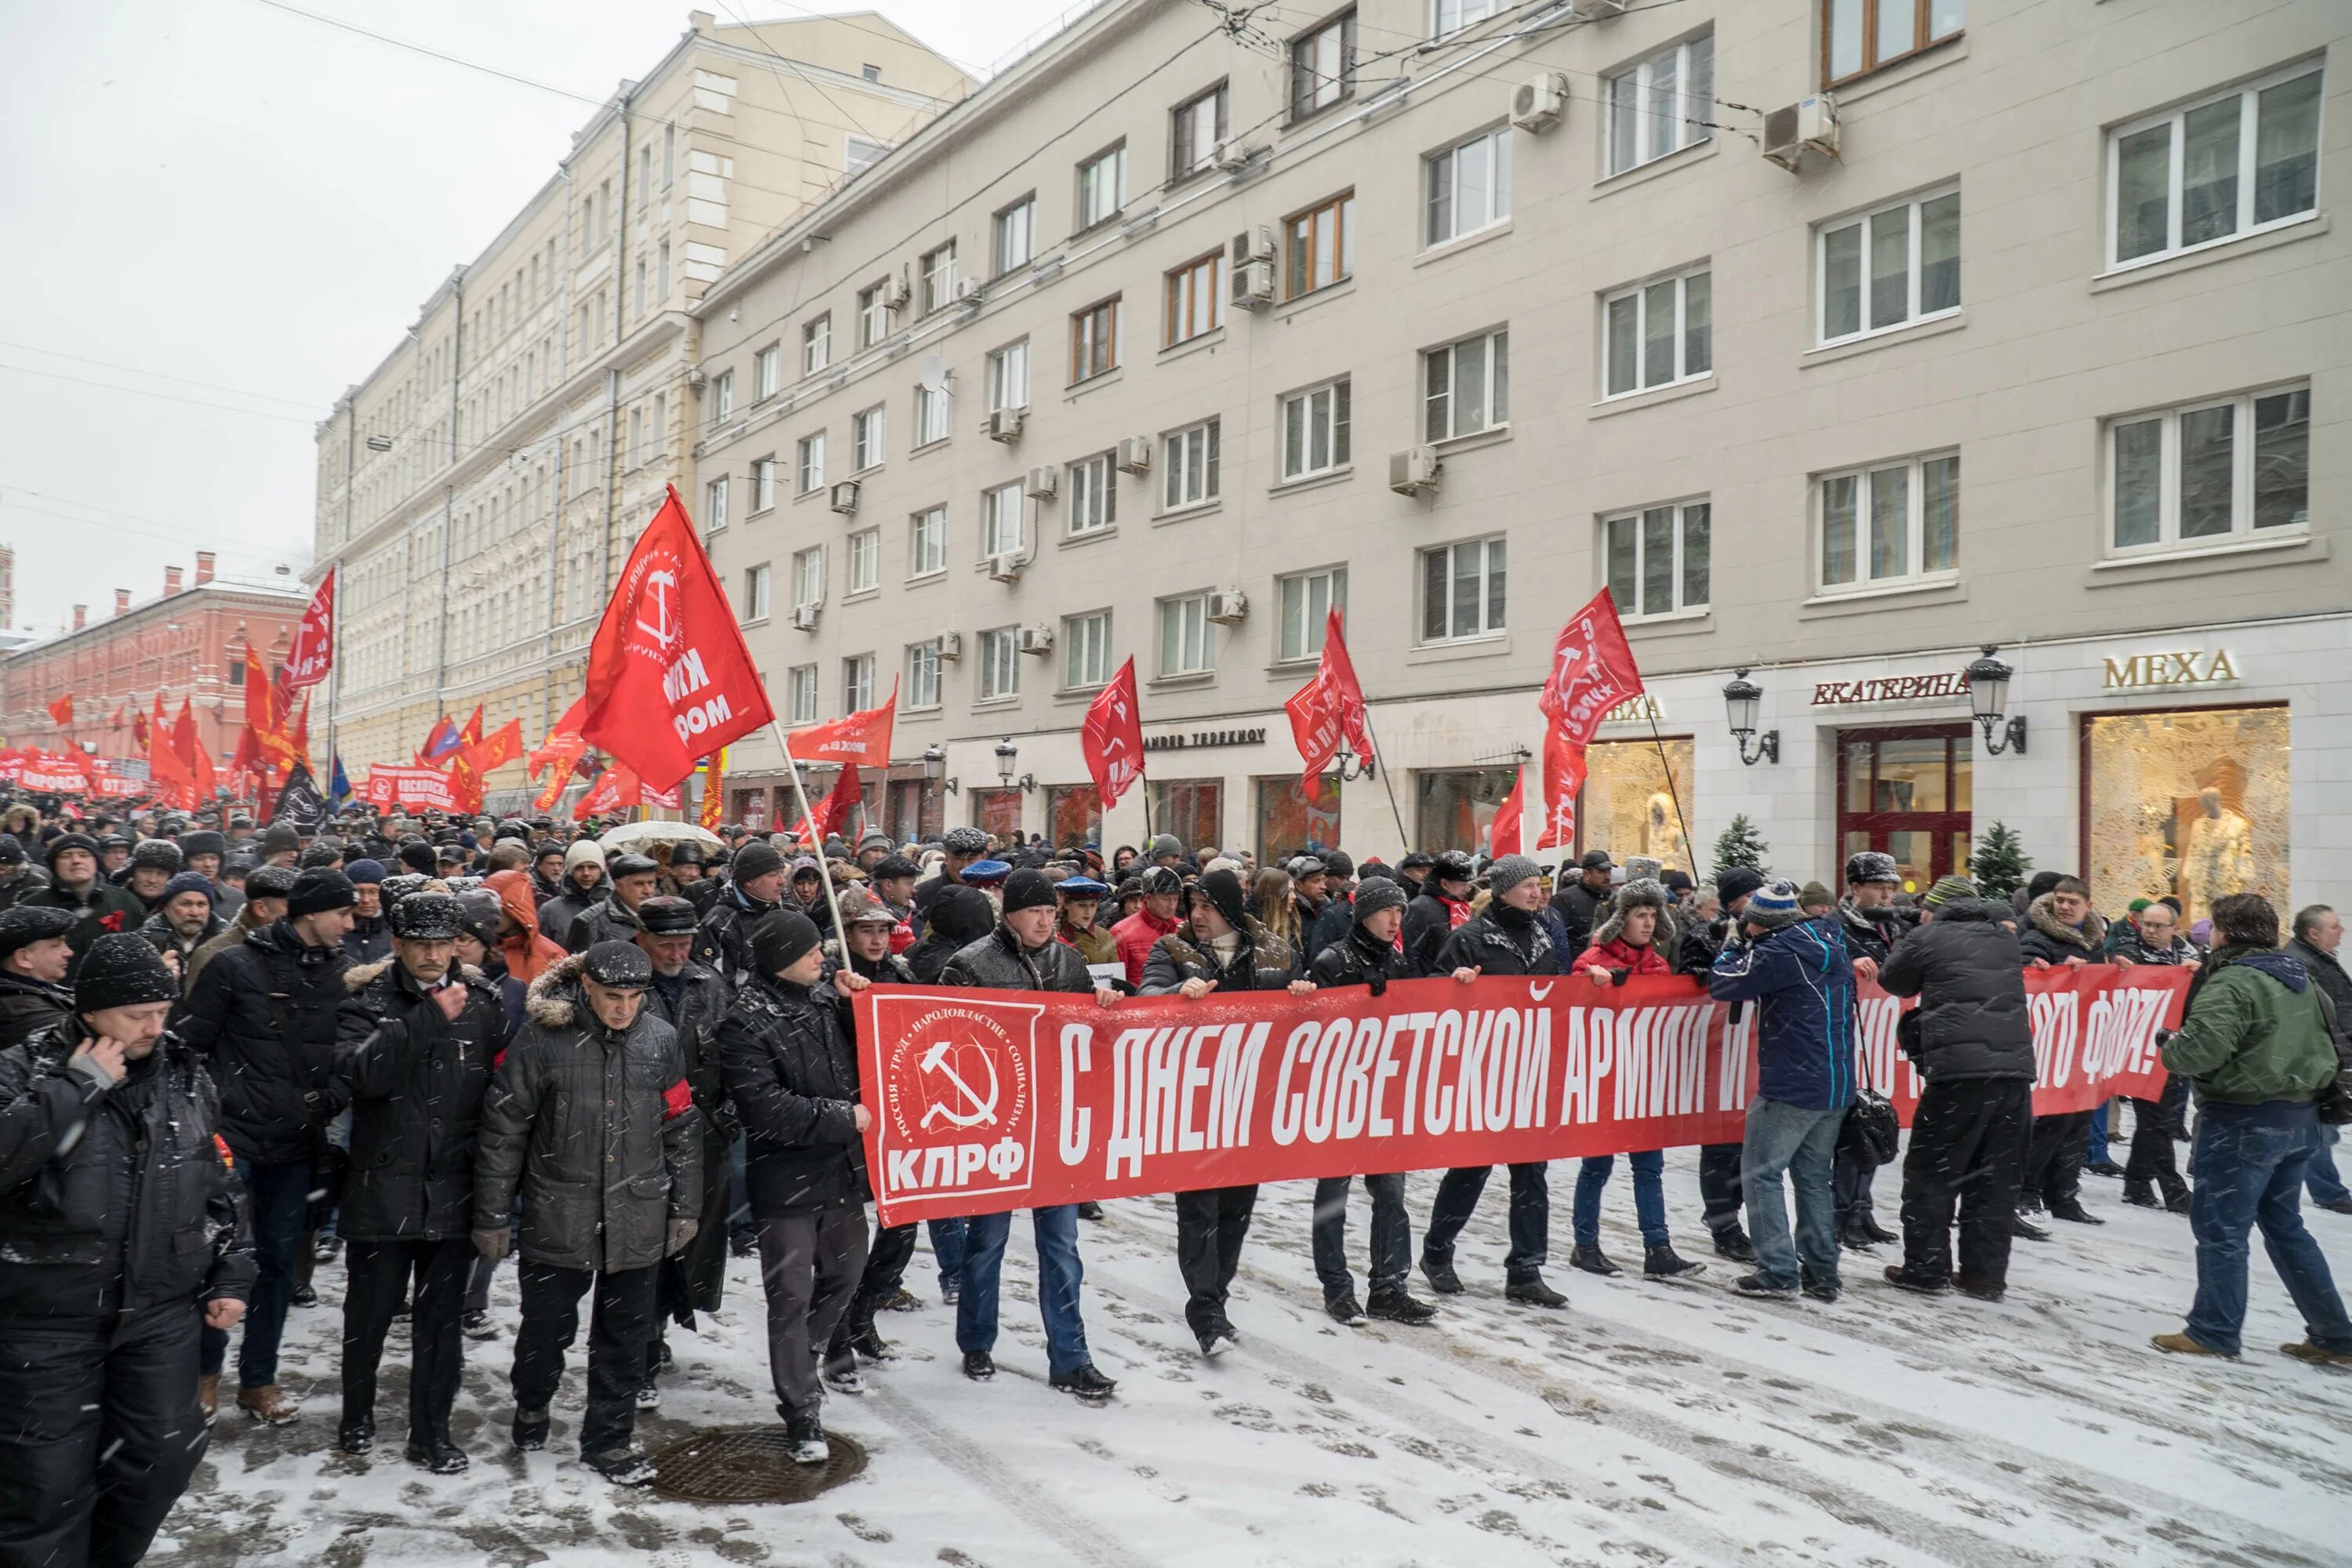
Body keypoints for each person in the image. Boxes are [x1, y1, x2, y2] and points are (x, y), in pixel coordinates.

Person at [0, 935, 253, 1567]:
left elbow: (215, 1177)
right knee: (43, 1489)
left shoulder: (183, 1071)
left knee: (160, 1463)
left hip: (158, 1313)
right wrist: (75, 1089)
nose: (153, 1027)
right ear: (90, 1012)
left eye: (162, 1011)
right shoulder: (23, 1068)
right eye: (136, 1014)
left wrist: (233, 1269)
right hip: (45, 1320)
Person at [472, 941, 703, 1485]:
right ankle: (533, 1400)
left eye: (633, 997)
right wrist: (492, 1214)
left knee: (625, 1338)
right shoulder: (543, 1039)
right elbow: (504, 1130)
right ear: (587, 989)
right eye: (611, 997)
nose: (623, 1009)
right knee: (546, 1329)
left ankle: (610, 1439)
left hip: (639, 1210)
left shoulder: (661, 1041)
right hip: (560, 1209)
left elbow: (681, 1127)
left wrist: (685, 1207)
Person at [174, 867, 358, 1425]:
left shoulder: (344, 975)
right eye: (343, 913)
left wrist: (330, 1097)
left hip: (298, 1142)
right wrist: (208, 1116)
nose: (352, 924)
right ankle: (204, 1378)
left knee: (280, 1264)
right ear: (309, 916)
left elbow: (354, 1050)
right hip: (233, 1141)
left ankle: (259, 1380)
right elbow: (191, 1044)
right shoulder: (234, 965)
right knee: (220, 1262)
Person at [329, 891, 505, 1472]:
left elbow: (499, 1093)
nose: (432, 957)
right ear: (398, 946)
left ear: (458, 945)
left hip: (453, 1188)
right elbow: (361, 1076)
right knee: (369, 1315)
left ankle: (431, 1431)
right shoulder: (367, 1000)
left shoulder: (483, 1002)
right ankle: (356, 1413)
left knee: (441, 1324)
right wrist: (427, 1018)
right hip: (382, 1187)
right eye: (419, 946)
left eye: (442, 945)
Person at [941, 869, 1123, 1399]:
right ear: (1010, 913)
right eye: (1034, 911)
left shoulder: (1070, 961)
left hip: (1055, 1124)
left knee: (1062, 1245)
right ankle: (976, 1340)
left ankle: (1071, 1357)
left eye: (1050, 911)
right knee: (987, 1240)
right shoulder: (970, 964)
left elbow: (1091, 1036)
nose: (1045, 920)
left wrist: (1105, 1007)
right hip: (998, 1125)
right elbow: (950, 1039)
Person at [2151, 895, 2352, 1367]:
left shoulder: (2233, 981)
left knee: (2222, 1229)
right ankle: (2335, 1335)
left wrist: (2171, 1048)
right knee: (2286, 1227)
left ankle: (2214, 1330)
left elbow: (2200, 1054)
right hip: (2300, 1121)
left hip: (2243, 1120)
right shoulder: (2304, 979)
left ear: (2224, 932)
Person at [719, 910, 873, 1463]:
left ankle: (802, 1356)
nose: (822, 957)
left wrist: (859, 1005)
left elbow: (869, 1050)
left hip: (841, 1175)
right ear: (784, 955)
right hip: (786, 1180)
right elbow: (765, 1109)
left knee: (849, 1272)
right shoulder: (745, 1021)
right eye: (811, 950)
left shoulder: (823, 1000)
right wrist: (842, 1117)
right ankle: (801, 1409)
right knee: (790, 1297)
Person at [1139, 866, 1308, 1353]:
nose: (1195, 915)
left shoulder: (1276, 952)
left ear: (1230, 910)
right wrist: (1176, 993)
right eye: (1192, 906)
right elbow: (1147, 994)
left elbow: (1301, 1011)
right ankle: (1206, 1312)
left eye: (1206, 907)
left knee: (1236, 1211)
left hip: (1250, 1102)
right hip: (1193, 1102)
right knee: (1198, 1210)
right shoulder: (1173, 950)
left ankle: (1217, 1296)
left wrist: (1302, 994)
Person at [1419, 856, 1570, 1308]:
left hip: (1530, 1072)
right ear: (1503, 889)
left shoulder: (1543, 935)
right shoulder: (1470, 938)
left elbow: (1558, 995)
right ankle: (1437, 1251)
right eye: (1527, 885)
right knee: (1471, 1170)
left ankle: (1526, 1269)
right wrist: (1454, 983)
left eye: (1539, 885)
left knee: (1532, 1175)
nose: (1536, 892)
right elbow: (1431, 995)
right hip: (1483, 1074)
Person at [1875, 875, 2035, 1301]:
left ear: (1936, 907)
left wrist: (1915, 937)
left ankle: (1926, 1269)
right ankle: (1984, 1276)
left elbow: (1894, 981)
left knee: (1932, 1173)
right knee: (1995, 1178)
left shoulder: (1929, 936)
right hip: (2014, 1073)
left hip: (1959, 1074)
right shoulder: (2003, 939)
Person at [1707, 880, 1858, 1301]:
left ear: (1760, 925)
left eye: (1750, 924)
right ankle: (1822, 1272)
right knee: (1813, 1179)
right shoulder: (1829, 940)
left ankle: (1776, 1270)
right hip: (1836, 1081)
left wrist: (1733, 945)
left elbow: (1722, 982)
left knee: (1761, 1174)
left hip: (1793, 1083)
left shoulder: (1777, 954)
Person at [1305, 876, 1436, 1327]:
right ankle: (1337, 1287)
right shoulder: (1333, 960)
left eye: (1400, 912)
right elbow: (1317, 1032)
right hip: (1341, 1099)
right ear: (1365, 914)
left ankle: (1389, 1287)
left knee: (1392, 1196)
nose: (1395, 921)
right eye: (1387, 911)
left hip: (1385, 1100)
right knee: (1333, 1197)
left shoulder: (1398, 960)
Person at [1566, 879, 1703, 1280]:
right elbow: (1571, 1007)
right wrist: (1591, 981)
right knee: (1597, 1167)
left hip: (1645, 1083)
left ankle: (1658, 1248)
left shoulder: (1658, 964)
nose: (1648, 923)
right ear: (1621, 919)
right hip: (1606, 1080)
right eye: (1640, 915)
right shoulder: (1592, 959)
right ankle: (1585, 1244)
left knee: (1649, 1168)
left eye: (1652, 916)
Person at [2016, 877, 2107, 1228]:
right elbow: (2026, 976)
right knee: (2053, 1122)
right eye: (2060, 900)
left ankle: (2065, 1194)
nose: (2065, 906)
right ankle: (2028, 1189)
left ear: (2088, 905)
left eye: (2073, 902)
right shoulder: (2037, 937)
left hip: (2082, 1043)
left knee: (2079, 1122)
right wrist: (2050, 970)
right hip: (2050, 1046)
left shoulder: (2093, 940)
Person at [1831, 852, 1911, 1250]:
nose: (1886, 895)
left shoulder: (1893, 928)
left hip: (1881, 1041)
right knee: (1853, 1132)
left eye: (1890, 887)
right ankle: (1843, 1214)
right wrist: (1848, 959)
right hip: (1849, 1039)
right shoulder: (1836, 927)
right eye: (1879, 887)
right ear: (1856, 888)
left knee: (1876, 1125)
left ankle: (1863, 1209)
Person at [2286, 906, 2352, 1214]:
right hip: (2319, 1060)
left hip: (2329, 1056)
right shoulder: (2302, 963)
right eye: (2335, 927)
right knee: (2320, 1128)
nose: (2342, 931)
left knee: (2323, 1126)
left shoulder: (2319, 959)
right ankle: (2327, 1190)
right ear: (2314, 933)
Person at [24, 833, 145, 980]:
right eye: (66, 856)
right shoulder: (32, 908)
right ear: (54, 865)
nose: (76, 861)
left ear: (96, 862)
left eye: (84, 855)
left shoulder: (125, 901)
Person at [187, 863, 296, 990]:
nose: (298, 913)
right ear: (261, 908)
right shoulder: (214, 954)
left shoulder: (300, 947)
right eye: (290, 906)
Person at [695, 840, 787, 986]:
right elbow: (716, 988)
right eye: (773, 875)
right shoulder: (719, 924)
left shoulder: (787, 911)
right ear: (749, 881)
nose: (782, 881)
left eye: (782, 873)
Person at [0, 906, 78, 1049]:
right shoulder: (19, 1011)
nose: (69, 952)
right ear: (23, 958)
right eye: (55, 946)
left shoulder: (35, 993)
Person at [1403, 851, 1476, 978]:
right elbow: (1410, 957)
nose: (1467, 889)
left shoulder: (1463, 908)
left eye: (1469, 884)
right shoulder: (1420, 908)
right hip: (1432, 987)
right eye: (1463, 884)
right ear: (1444, 884)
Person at [566, 853, 661, 952]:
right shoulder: (590, 922)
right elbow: (577, 965)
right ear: (619, 886)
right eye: (639, 884)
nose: (648, 891)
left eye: (651, 883)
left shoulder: (661, 915)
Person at [1112, 866, 1184, 989]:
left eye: (1175, 899)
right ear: (1148, 898)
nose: (1171, 906)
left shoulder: (1183, 929)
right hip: (1140, 1005)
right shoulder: (1121, 933)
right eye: (1166, 899)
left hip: (1179, 1003)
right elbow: (1115, 983)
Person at [140, 871, 225, 976]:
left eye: (201, 904)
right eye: (186, 904)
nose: (194, 912)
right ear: (166, 908)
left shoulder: (226, 944)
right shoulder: (146, 942)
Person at [535, 840, 608, 954]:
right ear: (570, 871)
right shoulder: (550, 911)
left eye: (592, 867)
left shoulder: (616, 906)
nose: (586, 873)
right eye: (579, 868)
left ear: (602, 870)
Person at [1550, 851, 1616, 956]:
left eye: (1609, 871)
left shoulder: (1613, 900)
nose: (1607, 877)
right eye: (1601, 872)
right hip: (1578, 968)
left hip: (1607, 966)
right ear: (1586, 874)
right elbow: (1555, 939)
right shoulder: (1565, 899)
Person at [1054, 875, 1118, 970]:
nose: (1088, 912)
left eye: (1093, 905)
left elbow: (1115, 973)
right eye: (1082, 905)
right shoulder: (1053, 935)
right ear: (1067, 905)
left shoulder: (1104, 936)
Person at [340, 860, 392, 964]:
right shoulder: (336, 932)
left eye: (373, 892)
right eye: (359, 892)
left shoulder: (394, 931)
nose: (366, 900)